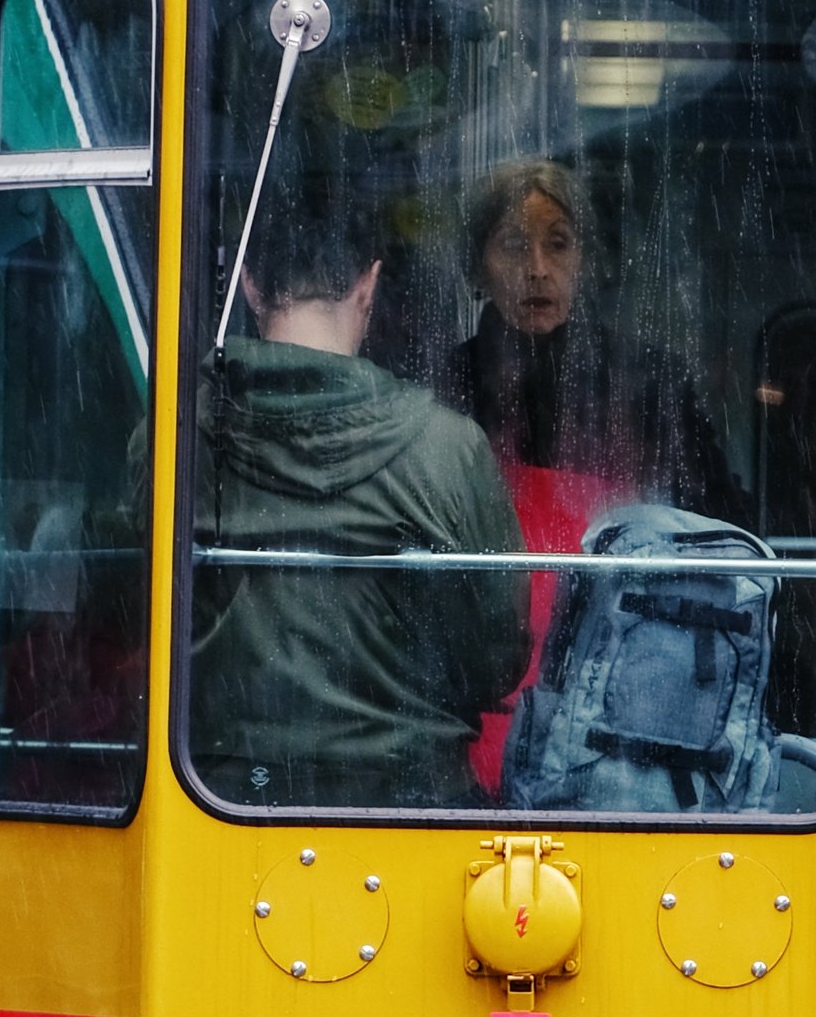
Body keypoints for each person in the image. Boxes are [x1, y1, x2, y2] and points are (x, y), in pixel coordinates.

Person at [191, 176, 530, 811]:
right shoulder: (447, 447)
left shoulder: (177, 440)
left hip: (222, 797)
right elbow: (496, 659)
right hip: (412, 800)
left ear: (251, 288)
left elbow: (131, 611)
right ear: (368, 287)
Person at [447, 157, 747, 525]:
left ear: (585, 260)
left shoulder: (654, 382)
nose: (538, 269)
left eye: (558, 244)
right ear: (478, 266)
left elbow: (713, 521)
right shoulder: (446, 385)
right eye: (513, 244)